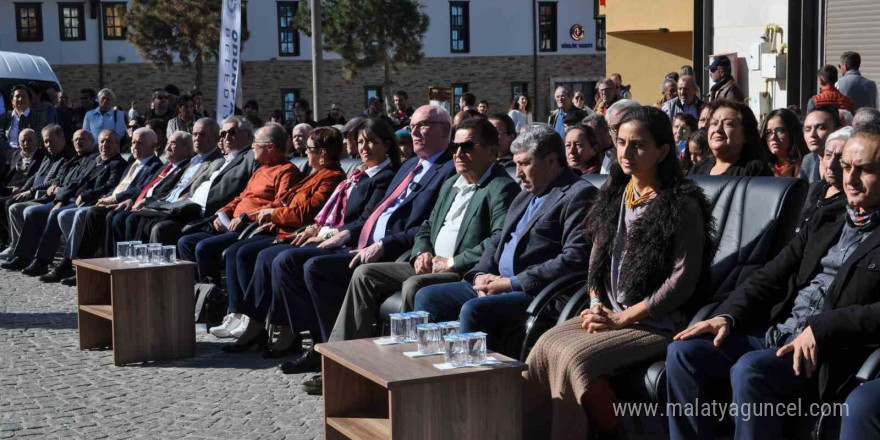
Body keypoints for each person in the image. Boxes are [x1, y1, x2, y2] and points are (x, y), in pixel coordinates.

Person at [666, 119, 880, 440]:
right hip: (779, 333)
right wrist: (727, 314)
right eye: (845, 166)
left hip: (830, 352)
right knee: (684, 353)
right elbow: (773, 272)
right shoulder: (829, 217)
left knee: (751, 370)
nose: (849, 177)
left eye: (862, 170)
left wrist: (822, 328)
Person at [525, 106, 716, 440]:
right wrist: (597, 302)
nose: (625, 153)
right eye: (621, 142)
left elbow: (682, 281)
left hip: (657, 322)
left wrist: (623, 318)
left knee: (575, 359)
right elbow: (596, 261)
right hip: (611, 313)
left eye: (638, 145)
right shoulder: (615, 192)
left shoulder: (682, 205)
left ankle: (614, 432)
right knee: (542, 348)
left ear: (663, 151)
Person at [268, 106, 456, 391]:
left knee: (314, 268)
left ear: (445, 130)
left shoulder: (449, 169)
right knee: (288, 261)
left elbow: (428, 225)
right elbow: (375, 214)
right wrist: (344, 234)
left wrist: (383, 244)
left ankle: (338, 355)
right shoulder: (409, 166)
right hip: (363, 242)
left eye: (424, 125)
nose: (414, 131)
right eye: (413, 125)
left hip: (395, 251)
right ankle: (320, 345)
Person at [324, 117, 519, 352]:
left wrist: (451, 262)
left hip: (461, 271)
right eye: (454, 147)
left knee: (414, 285)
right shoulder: (453, 183)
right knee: (364, 274)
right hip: (429, 262)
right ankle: (345, 352)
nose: (458, 154)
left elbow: (498, 239)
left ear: (492, 153)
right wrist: (421, 252)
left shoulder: (501, 187)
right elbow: (427, 226)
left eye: (467, 147)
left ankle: (402, 361)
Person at [208, 118, 399, 342]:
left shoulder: (357, 177)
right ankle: (256, 321)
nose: (363, 148)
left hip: (342, 239)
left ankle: (284, 329)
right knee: (251, 253)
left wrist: (317, 230)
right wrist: (310, 228)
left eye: (371, 142)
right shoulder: (352, 175)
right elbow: (309, 211)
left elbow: (351, 218)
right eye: (360, 142)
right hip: (313, 231)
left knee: (277, 258)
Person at [414, 124, 596, 355]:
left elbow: (575, 258)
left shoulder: (579, 195)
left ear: (551, 161)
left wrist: (511, 283)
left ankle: (471, 382)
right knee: (427, 296)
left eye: (525, 164)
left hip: (537, 293)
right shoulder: (524, 196)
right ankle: (428, 374)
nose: (517, 173)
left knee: (473, 310)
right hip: (498, 283)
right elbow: (498, 240)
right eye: (516, 164)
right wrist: (480, 275)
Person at [216, 126, 349, 352]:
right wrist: (261, 213)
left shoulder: (332, 178)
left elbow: (305, 213)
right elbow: (285, 201)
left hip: (296, 234)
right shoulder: (313, 175)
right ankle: (254, 322)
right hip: (283, 232)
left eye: (309, 149)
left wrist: (274, 214)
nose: (305, 153)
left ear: (323, 153)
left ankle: (282, 326)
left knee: (266, 256)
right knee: (244, 252)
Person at [176, 123, 302, 284]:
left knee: (203, 247)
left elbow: (279, 204)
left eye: (256, 142)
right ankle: (197, 290)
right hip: (231, 224)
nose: (253, 146)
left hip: (249, 228)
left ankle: (212, 296)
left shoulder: (286, 171)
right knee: (186, 241)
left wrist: (243, 217)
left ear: (270, 147)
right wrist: (222, 213)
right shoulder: (261, 169)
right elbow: (241, 197)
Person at [17, 129, 129, 280]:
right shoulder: (95, 161)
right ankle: (30, 257)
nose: (104, 145)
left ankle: (59, 262)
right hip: (70, 199)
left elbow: (110, 186)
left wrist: (84, 195)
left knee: (59, 214)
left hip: (90, 202)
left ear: (117, 143)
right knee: (36, 212)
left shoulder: (118, 164)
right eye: (102, 141)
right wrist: (61, 199)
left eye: (109, 141)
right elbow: (77, 182)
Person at [120, 118, 235, 247]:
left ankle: (148, 263)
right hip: (167, 203)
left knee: (150, 224)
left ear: (216, 138)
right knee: (131, 218)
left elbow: (195, 193)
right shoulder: (192, 160)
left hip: (183, 209)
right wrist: (150, 202)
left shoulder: (217, 162)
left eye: (202, 135)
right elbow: (172, 188)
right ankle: (132, 260)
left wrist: (164, 203)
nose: (196, 138)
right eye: (195, 134)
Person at [98, 131, 196, 260]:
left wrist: (146, 202)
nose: (167, 147)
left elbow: (166, 193)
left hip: (156, 206)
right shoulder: (167, 166)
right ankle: (111, 260)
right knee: (111, 215)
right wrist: (132, 200)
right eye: (167, 143)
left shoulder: (186, 168)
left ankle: (132, 262)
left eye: (173, 144)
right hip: (140, 203)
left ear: (188, 149)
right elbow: (147, 187)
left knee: (125, 218)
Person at [0, 125, 75, 261]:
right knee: (13, 205)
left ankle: (24, 250)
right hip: (35, 191)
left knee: (18, 207)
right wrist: (24, 190)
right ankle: (15, 245)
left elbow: (54, 181)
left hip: (46, 195)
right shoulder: (49, 156)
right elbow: (35, 177)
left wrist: (31, 191)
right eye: (46, 141)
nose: (48, 145)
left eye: (51, 141)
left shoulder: (67, 157)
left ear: (62, 139)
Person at [690, 100, 773, 176]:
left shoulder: (755, 169)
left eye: (728, 124)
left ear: (746, 134)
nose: (718, 129)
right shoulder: (698, 168)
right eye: (714, 123)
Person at [797, 127, 850, 231]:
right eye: (828, 155)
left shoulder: (853, 202)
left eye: (840, 157)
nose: (830, 165)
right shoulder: (812, 189)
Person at [800, 106, 842, 184]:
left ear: (837, 130)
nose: (812, 134)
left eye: (821, 128)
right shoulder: (808, 160)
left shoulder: (845, 162)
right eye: (807, 129)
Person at [760, 108, 805, 178]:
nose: (773, 137)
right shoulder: (762, 168)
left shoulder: (805, 166)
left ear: (792, 133)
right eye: (768, 132)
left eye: (780, 131)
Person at [0, 85, 47, 151]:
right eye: (17, 96)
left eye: (24, 96)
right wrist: (7, 150)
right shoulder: (5, 117)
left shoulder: (38, 118)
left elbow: (38, 140)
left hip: (27, 154)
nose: (20, 99)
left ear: (29, 101)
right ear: (12, 101)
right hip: (6, 154)